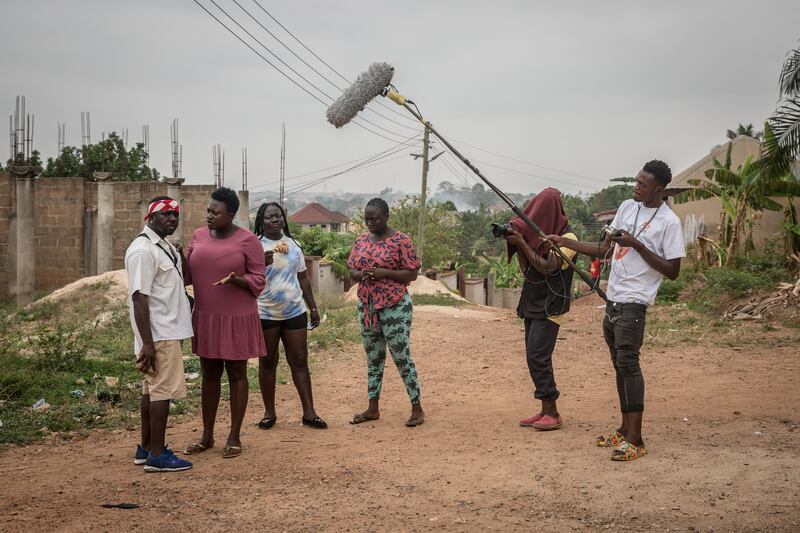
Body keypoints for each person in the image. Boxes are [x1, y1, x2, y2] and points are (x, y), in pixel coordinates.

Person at [547, 160, 684, 461]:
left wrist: (637, 245)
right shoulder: (626, 207)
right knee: (619, 365)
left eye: (643, 184)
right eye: (636, 181)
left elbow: (673, 270)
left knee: (629, 364)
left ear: (659, 190)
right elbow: (605, 250)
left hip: (636, 300)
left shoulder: (669, 222)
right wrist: (563, 244)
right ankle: (624, 430)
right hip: (614, 298)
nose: (636, 187)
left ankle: (636, 438)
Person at [183, 187, 266, 459]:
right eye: (208, 211)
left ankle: (234, 435)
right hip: (206, 316)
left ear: (230, 214)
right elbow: (188, 275)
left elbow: (258, 280)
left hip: (236, 318)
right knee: (209, 375)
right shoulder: (198, 236)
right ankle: (206, 435)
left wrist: (237, 279)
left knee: (237, 374)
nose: (208, 216)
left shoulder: (248, 241)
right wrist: (177, 258)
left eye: (215, 212)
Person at [125, 196, 194, 472]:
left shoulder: (163, 246)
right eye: (165, 214)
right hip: (159, 334)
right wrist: (148, 344)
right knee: (162, 393)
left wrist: (179, 255)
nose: (172, 219)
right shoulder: (143, 250)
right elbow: (139, 298)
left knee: (151, 391)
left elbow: (176, 283)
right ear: (150, 218)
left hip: (166, 330)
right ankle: (157, 455)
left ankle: (145, 447)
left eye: (175, 215)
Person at [503, 188, 577, 431]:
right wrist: (519, 244)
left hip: (551, 305)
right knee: (533, 356)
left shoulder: (569, 239)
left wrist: (523, 243)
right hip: (533, 301)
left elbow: (549, 268)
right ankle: (545, 409)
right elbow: (529, 272)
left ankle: (553, 411)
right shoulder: (538, 239)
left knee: (538, 355)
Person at [347, 198, 424, 427]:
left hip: (394, 305)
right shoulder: (361, 240)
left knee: (401, 356)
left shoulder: (401, 241)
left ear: (387, 217)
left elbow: (412, 274)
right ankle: (372, 408)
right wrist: (361, 275)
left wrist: (383, 273)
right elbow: (351, 269)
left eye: (375, 218)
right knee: (374, 358)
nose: (370, 223)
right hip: (367, 306)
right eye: (367, 219)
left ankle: (417, 408)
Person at [253, 202, 327, 430]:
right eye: (269, 217)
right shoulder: (255, 246)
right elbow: (247, 276)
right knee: (267, 362)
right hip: (265, 312)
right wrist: (258, 262)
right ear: (261, 221)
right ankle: (269, 413)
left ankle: (309, 413)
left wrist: (312, 307)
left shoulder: (294, 245)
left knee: (300, 361)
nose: (275, 220)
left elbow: (302, 277)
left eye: (278, 216)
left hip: (294, 311)